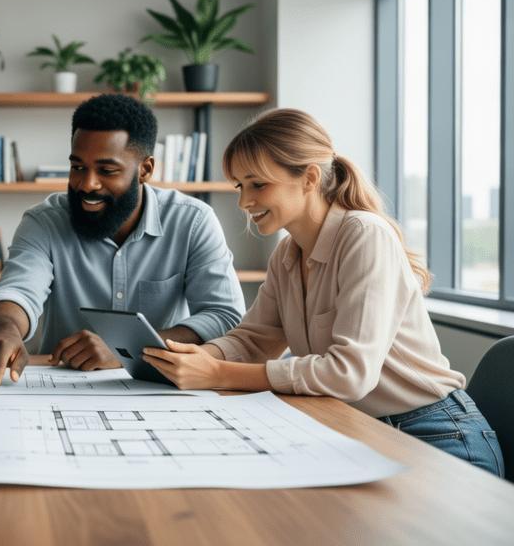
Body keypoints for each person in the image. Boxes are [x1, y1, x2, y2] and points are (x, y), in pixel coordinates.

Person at [142, 108, 504, 477]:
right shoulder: (287, 253)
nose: (243, 202)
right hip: (362, 429)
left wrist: (218, 373)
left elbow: (348, 374)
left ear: (309, 178)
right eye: (239, 186)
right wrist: (190, 357)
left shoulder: (364, 235)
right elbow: (254, 340)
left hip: (437, 436)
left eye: (257, 184)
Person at [0, 94, 245, 389]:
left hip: (160, 389)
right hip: (60, 389)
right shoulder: (44, 221)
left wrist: (126, 349)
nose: (87, 184)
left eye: (107, 171)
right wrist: (7, 331)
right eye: (77, 167)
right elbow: (17, 291)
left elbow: (225, 315)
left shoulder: (193, 221)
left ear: (145, 170)